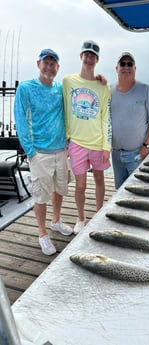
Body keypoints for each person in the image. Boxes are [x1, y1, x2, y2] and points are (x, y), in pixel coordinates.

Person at [14, 48, 73, 256]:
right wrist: (30, 151)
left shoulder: (59, 89)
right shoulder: (26, 88)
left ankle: (56, 221)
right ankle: (42, 234)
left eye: (53, 63)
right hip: (38, 152)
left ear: (58, 67)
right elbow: (20, 119)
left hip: (61, 150)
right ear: (38, 64)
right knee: (40, 195)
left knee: (59, 189)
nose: (49, 67)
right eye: (45, 62)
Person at [62, 40, 111, 234]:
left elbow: (106, 117)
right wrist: (65, 139)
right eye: (87, 54)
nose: (89, 58)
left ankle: (98, 215)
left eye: (93, 56)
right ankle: (80, 218)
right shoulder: (67, 82)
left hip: (98, 144)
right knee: (80, 185)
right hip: (77, 143)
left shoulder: (103, 87)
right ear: (81, 56)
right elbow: (63, 110)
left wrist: (107, 145)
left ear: (97, 60)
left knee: (99, 179)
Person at [110, 52, 149, 189]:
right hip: (115, 155)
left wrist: (147, 145)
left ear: (135, 69)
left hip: (137, 154)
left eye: (130, 64)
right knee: (119, 193)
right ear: (117, 68)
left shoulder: (145, 89)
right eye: (123, 64)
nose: (126, 67)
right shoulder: (109, 91)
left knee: (139, 192)